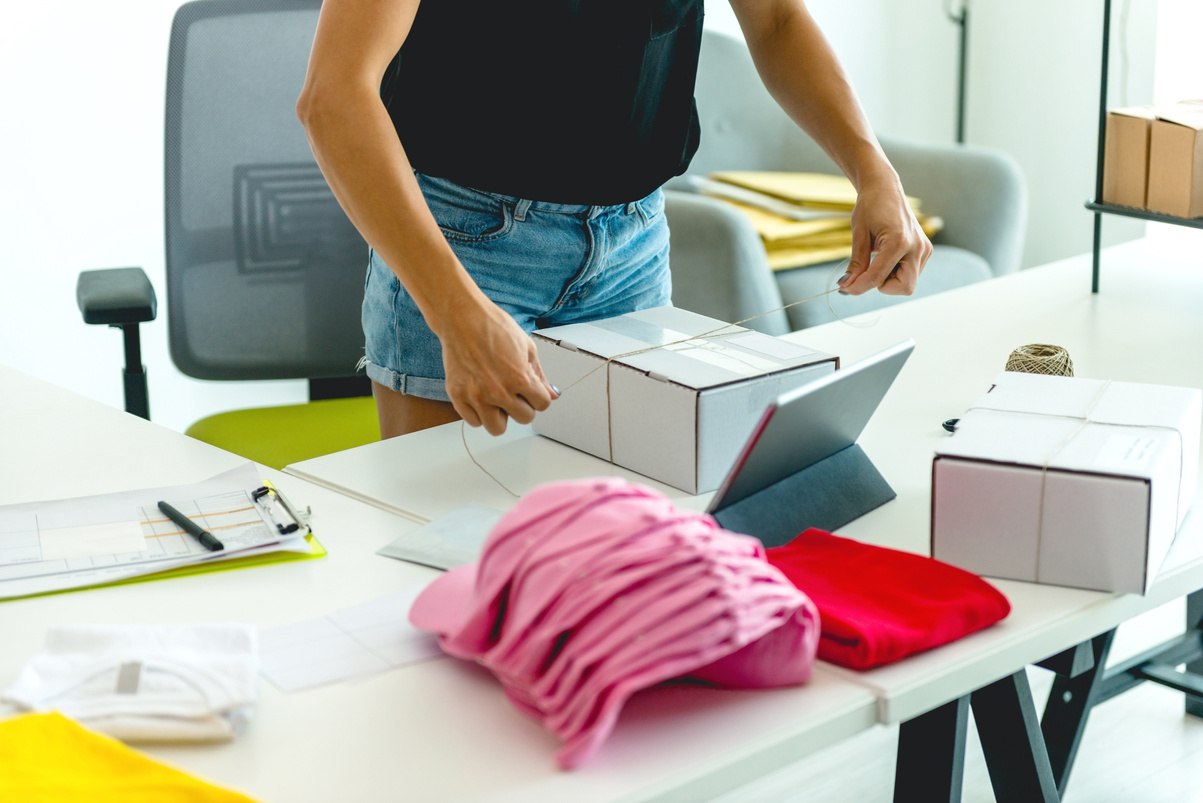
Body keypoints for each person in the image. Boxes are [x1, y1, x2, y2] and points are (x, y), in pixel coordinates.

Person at [297, 0, 932, 440]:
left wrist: (873, 170)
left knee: (618, 553)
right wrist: (454, 311)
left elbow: (777, 19)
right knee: (452, 549)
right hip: (467, 246)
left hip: (633, 244)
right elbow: (334, 95)